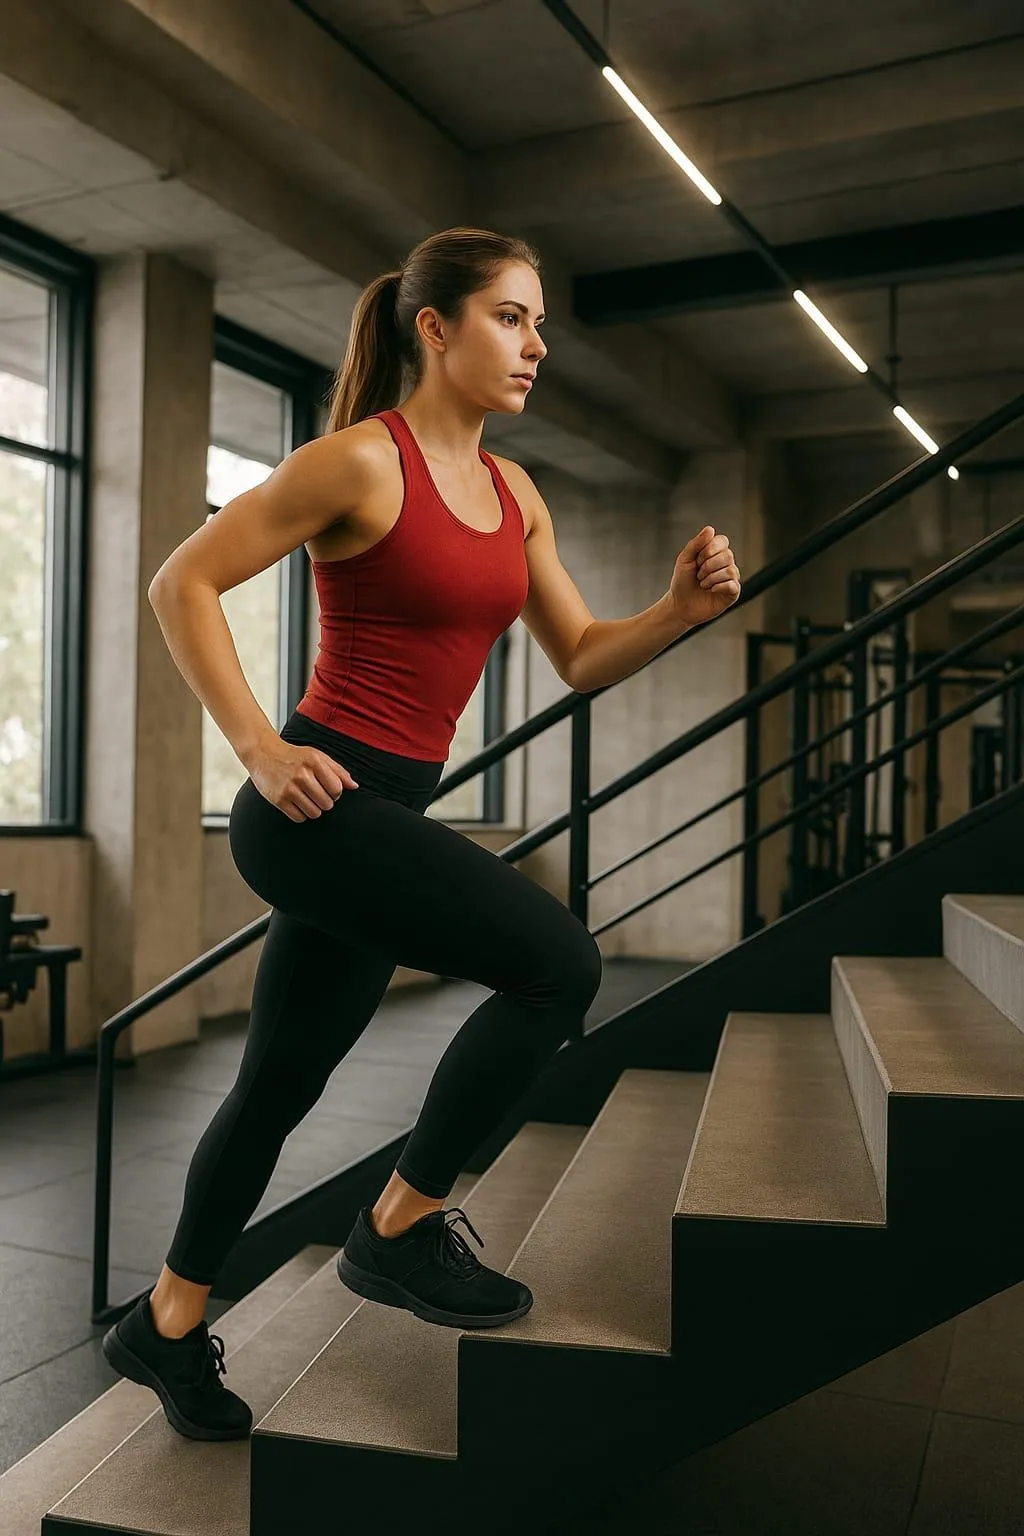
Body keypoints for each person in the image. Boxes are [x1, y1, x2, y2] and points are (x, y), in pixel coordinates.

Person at [101, 226, 742, 1441]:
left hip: (385, 813)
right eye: (510, 317)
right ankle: (396, 1228)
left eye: (541, 321)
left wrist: (676, 610)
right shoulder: (356, 463)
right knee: (558, 964)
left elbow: (582, 657)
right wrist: (257, 745)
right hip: (314, 810)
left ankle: (167, 1323)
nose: (536, 345)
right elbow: (180, 581)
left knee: (277, 1084)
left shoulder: (515, 492)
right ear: (433, 328)